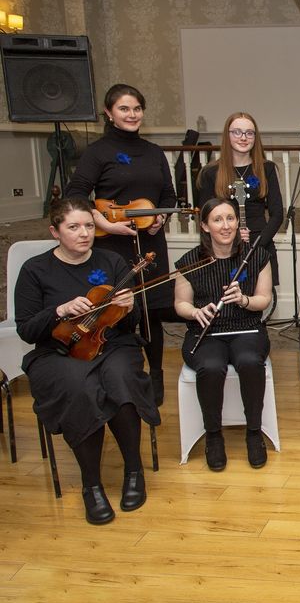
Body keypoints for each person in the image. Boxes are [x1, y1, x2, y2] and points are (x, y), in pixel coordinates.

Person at [15, 198, 160, 525]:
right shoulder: (35, 270)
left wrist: (128, 305)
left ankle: (133, 471)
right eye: (74, 227)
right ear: (55, 231)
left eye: (89, 226)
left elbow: (129, 323)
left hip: (111, 344)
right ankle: (91, 485)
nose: (84, 233)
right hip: (57, 351)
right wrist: (59, 311)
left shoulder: (113, 262)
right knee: (79, 387)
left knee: (121, 379)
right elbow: (27, 329)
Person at [66, 83, 177, 407]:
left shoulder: (154, 152)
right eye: (124, 109)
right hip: (112, 247)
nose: (132, 114)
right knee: (117, 312)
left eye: (137, 108)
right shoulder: (98, 151)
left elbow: (167, 195)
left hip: (150, 241)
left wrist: (161, 218)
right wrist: (102, 223)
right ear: (109, 113)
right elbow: (76, 193)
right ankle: (122, 373)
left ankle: (155, 374)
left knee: (151, 311)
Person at [174, 198, 273, 472]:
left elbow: (264, 299)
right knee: (211, 366)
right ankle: (213, 436)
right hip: (205, 332)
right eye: (217, 220)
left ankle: (254, 432)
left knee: (250, 361)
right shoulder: (190, 261)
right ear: (205, 226)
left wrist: (243, 300)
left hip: (247, 327)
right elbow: (180, 304)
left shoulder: (256, 256)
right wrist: (196, 312)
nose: (226, 225)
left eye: (230, 218)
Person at [196, 112, 284, 287]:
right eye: (237, 132)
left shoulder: (267, 169)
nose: (243, 138)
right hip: (224, 246)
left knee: (261, 303)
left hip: (260, 244)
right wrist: (232, 237)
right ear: (227, 135)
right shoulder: (210, 172)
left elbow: (277, 215)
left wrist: (255, 244)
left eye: (249, 133)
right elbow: (205, 218)